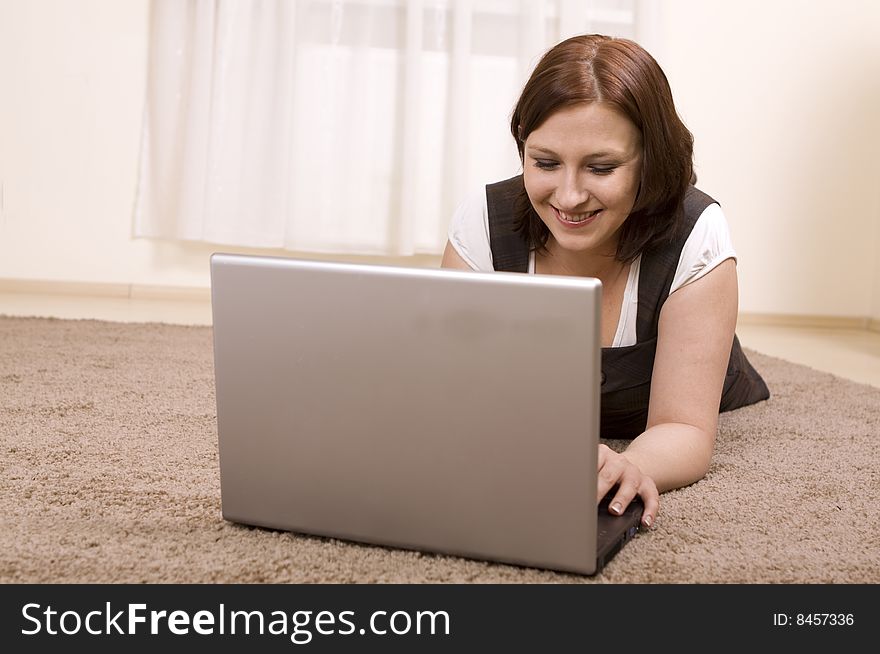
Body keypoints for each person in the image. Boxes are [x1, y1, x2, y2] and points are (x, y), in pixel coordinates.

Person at [440, 34, 769, 530]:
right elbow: (454, 393)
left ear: (651, 161)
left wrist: (631, 464)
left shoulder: (696, 231)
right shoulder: (483, 220)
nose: (569, 197)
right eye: (545, 162)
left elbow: (681, 426)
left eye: (601, 167)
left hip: (694, 394)